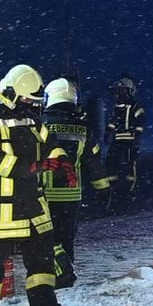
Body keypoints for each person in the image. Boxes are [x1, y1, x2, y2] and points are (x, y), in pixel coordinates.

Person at [0, 64, 76, 306]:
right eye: (27, 99)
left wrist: (62, 162)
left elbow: (51, 144)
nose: (30, 105)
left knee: (41, 263)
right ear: (10, 93)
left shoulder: (31, 120)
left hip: (33, 209)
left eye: (33, 101)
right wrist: (32, 167)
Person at [38, 78, 102, 288]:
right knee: (67, 238)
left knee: (46, 238)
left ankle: (52, 276)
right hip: (72, 193)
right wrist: (104, 189)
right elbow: (94, 162)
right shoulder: (84, 129)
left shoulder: (40, 125)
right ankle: (67, 271)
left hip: (45, 193)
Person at [101, 74, 145, 205]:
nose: (119, 92)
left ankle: (130, 189)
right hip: (117, 140)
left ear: (129, 90)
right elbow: (113, 121)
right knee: (111, 163)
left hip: (130, 140)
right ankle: (112, 188)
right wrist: (108, 132)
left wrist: (136, 139)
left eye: (122, 89)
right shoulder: (118, 106)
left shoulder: (136, 107)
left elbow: (140, 124)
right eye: (118, 90)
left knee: (130, 164)